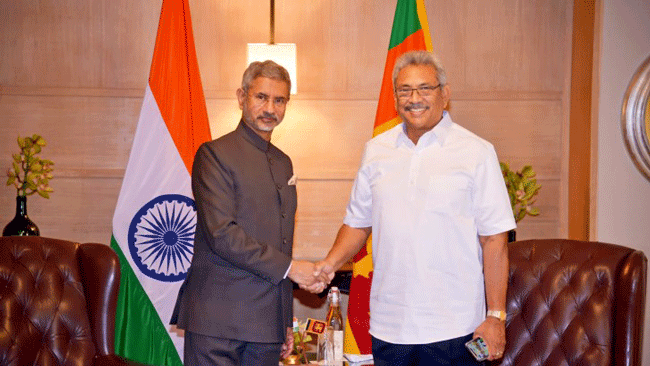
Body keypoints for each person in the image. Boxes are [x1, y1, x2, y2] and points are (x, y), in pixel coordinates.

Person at [313, 50, 516, 365]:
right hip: (388, 327)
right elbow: (357, 224)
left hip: (454, 329)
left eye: (425, 88)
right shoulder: (375, 151)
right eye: (404, 90)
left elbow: (494, 240)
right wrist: (327, 266)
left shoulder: (476, 152)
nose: (414, 98)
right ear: (395, 99)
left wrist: (496, 316)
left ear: (445, 94)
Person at [171, 60, 331, 366]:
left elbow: (283, 242)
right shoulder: (213, 154)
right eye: (261, 97)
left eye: (279, 100)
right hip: (218, 322)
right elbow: (221, 234)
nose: (270, 108)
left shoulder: (284, 163)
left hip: (266, 326)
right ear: (242, 96)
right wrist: (292, 269)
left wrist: (284, 321)